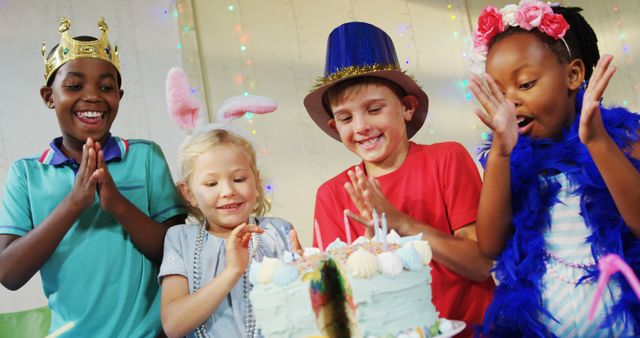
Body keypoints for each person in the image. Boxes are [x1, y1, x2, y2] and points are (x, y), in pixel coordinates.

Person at [303, 21, 495, 337]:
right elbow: (339, 299)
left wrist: (399, 223)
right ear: (335, 127)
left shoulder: (447, 159)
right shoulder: (331, 195)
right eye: (346, 118)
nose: (361, 126)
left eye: (374, 109)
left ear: (406, 107)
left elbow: (479, 264)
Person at [0, 17, 186, 337]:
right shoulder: (26, 174)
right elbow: (9, 274)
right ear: (49, 96)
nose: (92, 97)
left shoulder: (145, 157)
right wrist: (74, 204)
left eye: (106, 87)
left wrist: (117, 204)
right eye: (74, 86)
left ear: (119, 96)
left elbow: (180, 255)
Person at [468, 1, 640, 336]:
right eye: (500, 92)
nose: (511, 101)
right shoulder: (506, 163)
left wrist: (597, 141)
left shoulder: (624, 139)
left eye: (526, 83)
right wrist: (501, 155)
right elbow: (490, 245)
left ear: (573, 75)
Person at [159, 126, 302, 338]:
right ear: (189, 193)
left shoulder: (278, 232)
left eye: (239, 179)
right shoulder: (180, 239)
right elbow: (173, 325)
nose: (228, 192)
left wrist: (307, 276)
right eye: (211, 183)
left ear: (256, 182)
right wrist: (233, 271)